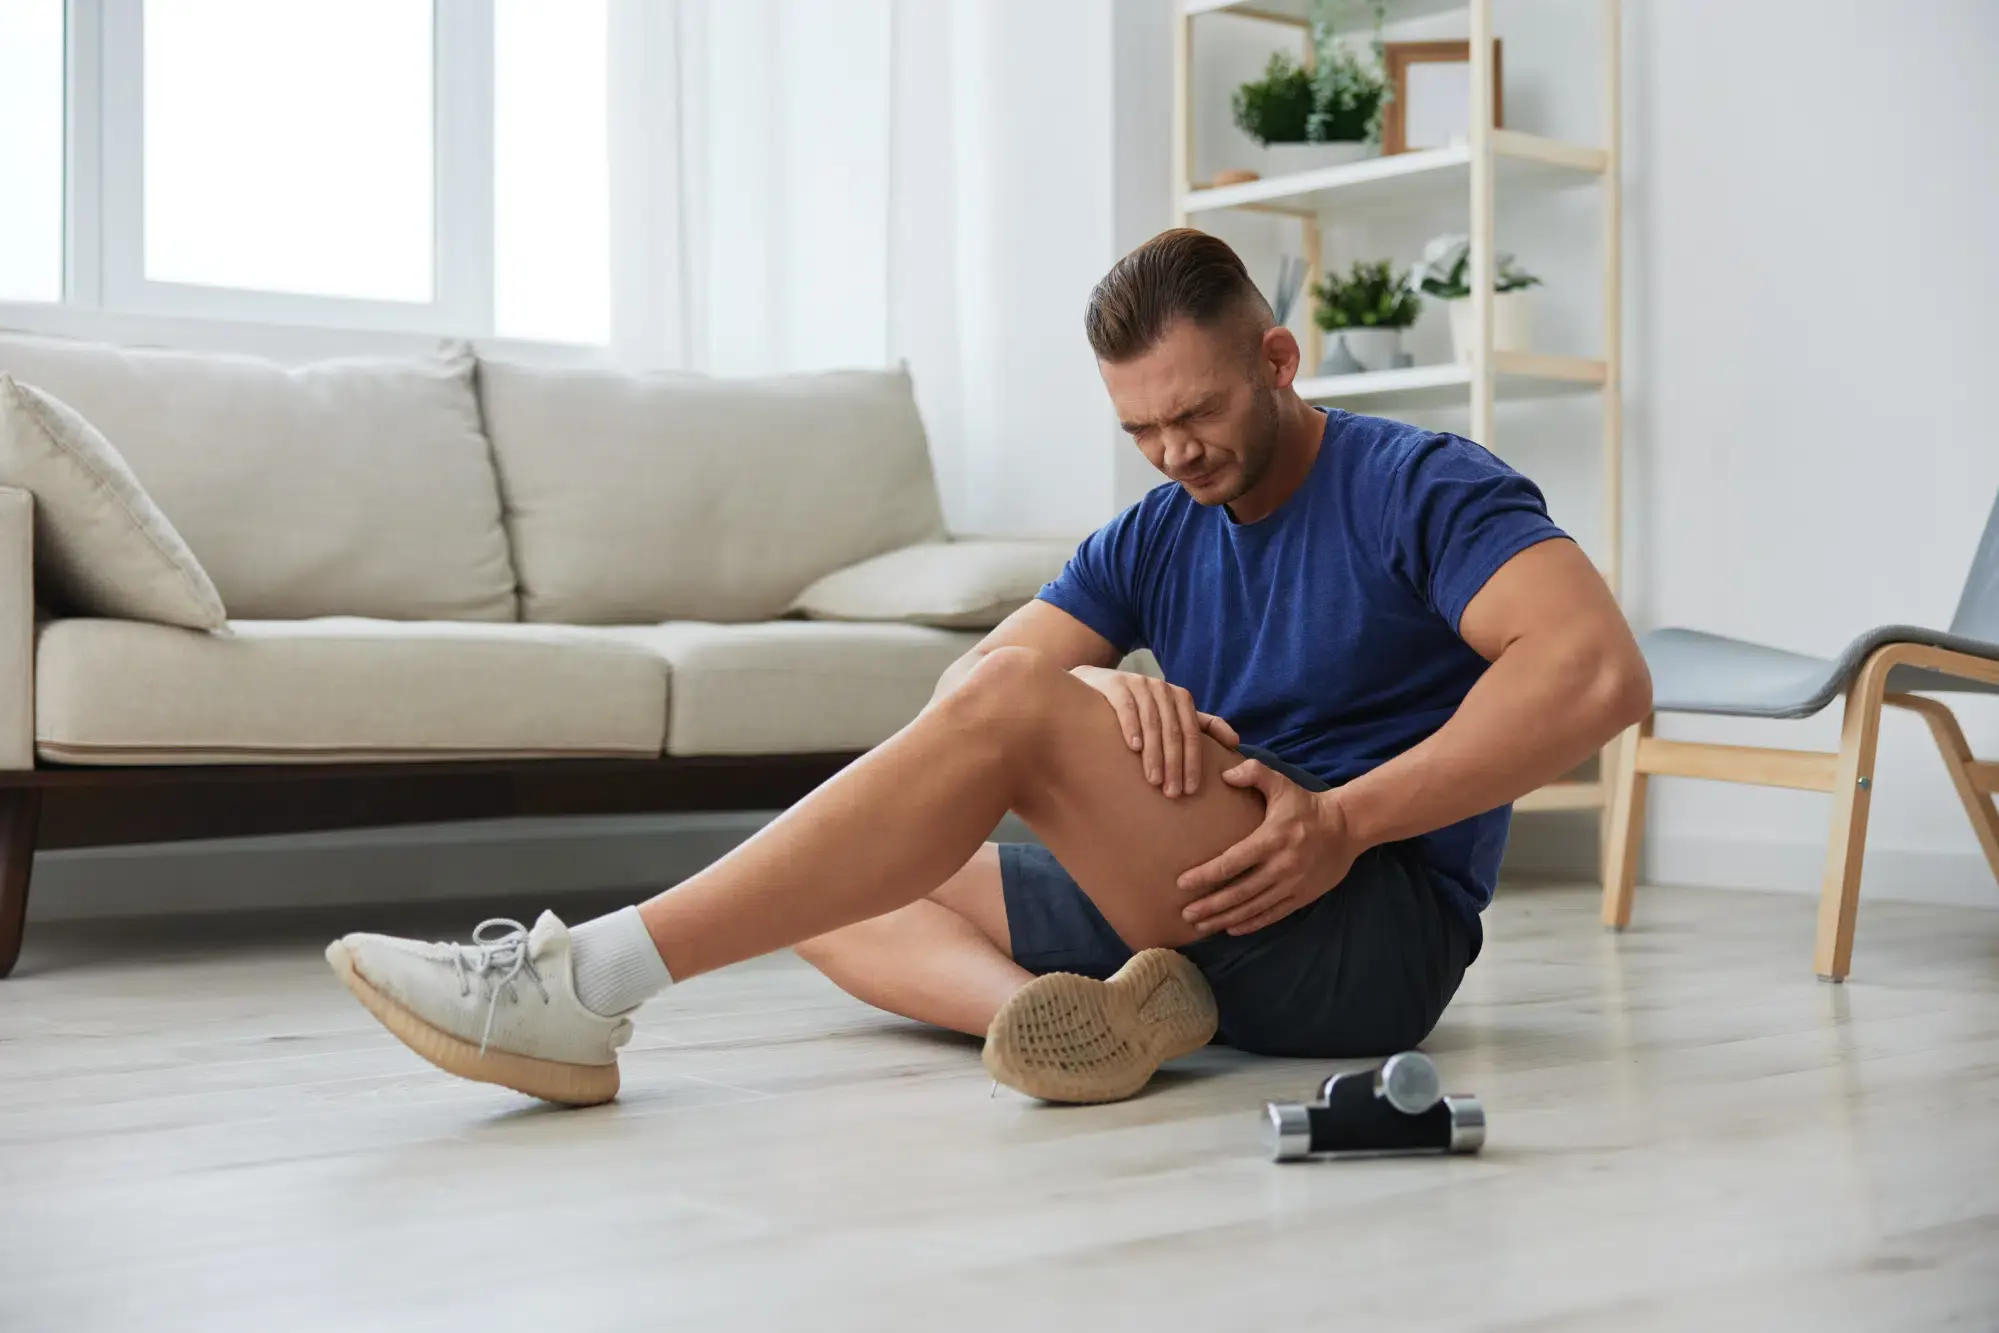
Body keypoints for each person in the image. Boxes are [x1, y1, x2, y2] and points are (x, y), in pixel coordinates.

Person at [326, 229, 1651, 1107]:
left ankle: (582, 984)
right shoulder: (1154, 529)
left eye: (1195, 412)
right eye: (1141, 428)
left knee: (1003, 717)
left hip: (1362, 925)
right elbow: (968, 706)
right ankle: (1090, 1024)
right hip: (1196, 908)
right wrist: (1089, 687)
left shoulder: (1416, 484)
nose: (1173, 451)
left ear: (1277, 360)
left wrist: (1346, 817)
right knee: (823, 877)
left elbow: (1594, 677)